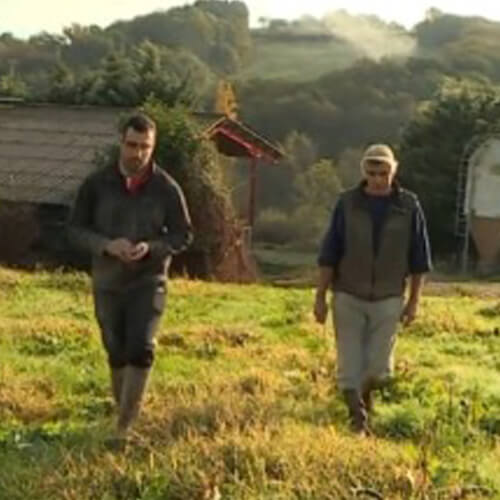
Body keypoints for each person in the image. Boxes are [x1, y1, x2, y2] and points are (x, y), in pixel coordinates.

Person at [68, 113, 193, 443]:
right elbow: (74, 230)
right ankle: (123, 412)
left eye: (145, 147)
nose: (137, 153)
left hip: (149, 280)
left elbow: (183, 235)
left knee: (141, 345)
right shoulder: (96, 185)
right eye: (132, 145)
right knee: (116, 348)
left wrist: (150, 248)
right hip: (108, 282)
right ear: (121, 142)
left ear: (153, 147)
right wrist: (107, 246)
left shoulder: (166, 188)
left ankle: (125, 428)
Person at [314, 144, 432, 434]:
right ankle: (358, 418)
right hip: (348, 294)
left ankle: (364, 399)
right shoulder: (347, 204)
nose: (378, 179)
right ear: (363, 172)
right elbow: (330, 252)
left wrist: (414, 301)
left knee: (379, 367)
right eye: (372, 173)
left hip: (389, 296)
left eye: (384, 173)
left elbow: (419, 259)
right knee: (349, 361)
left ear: (394, 170)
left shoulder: (409, 206)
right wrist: (320, 297)